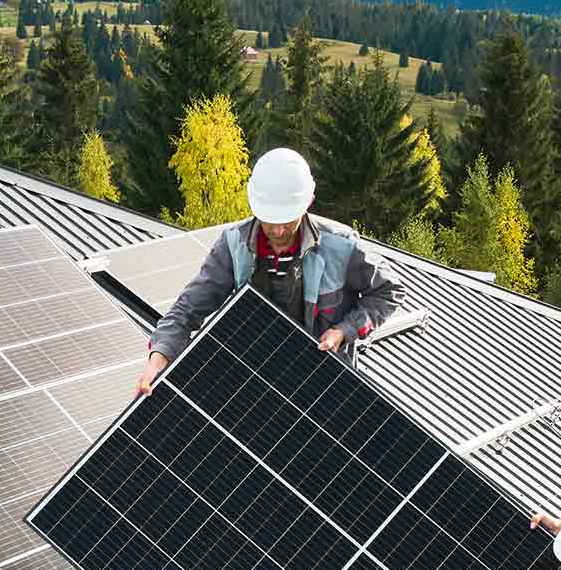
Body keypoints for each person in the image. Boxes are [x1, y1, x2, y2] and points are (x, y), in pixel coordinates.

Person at [135, 147, 401, 394]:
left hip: (325, 386)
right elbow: (186, 309)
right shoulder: (233, 246)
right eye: (270, 220)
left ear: (308, 203)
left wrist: (344, 330)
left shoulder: (341, 247)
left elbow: (389, 292)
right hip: (254, 385)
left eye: (287, 220)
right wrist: (158, 359)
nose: (278, 231)